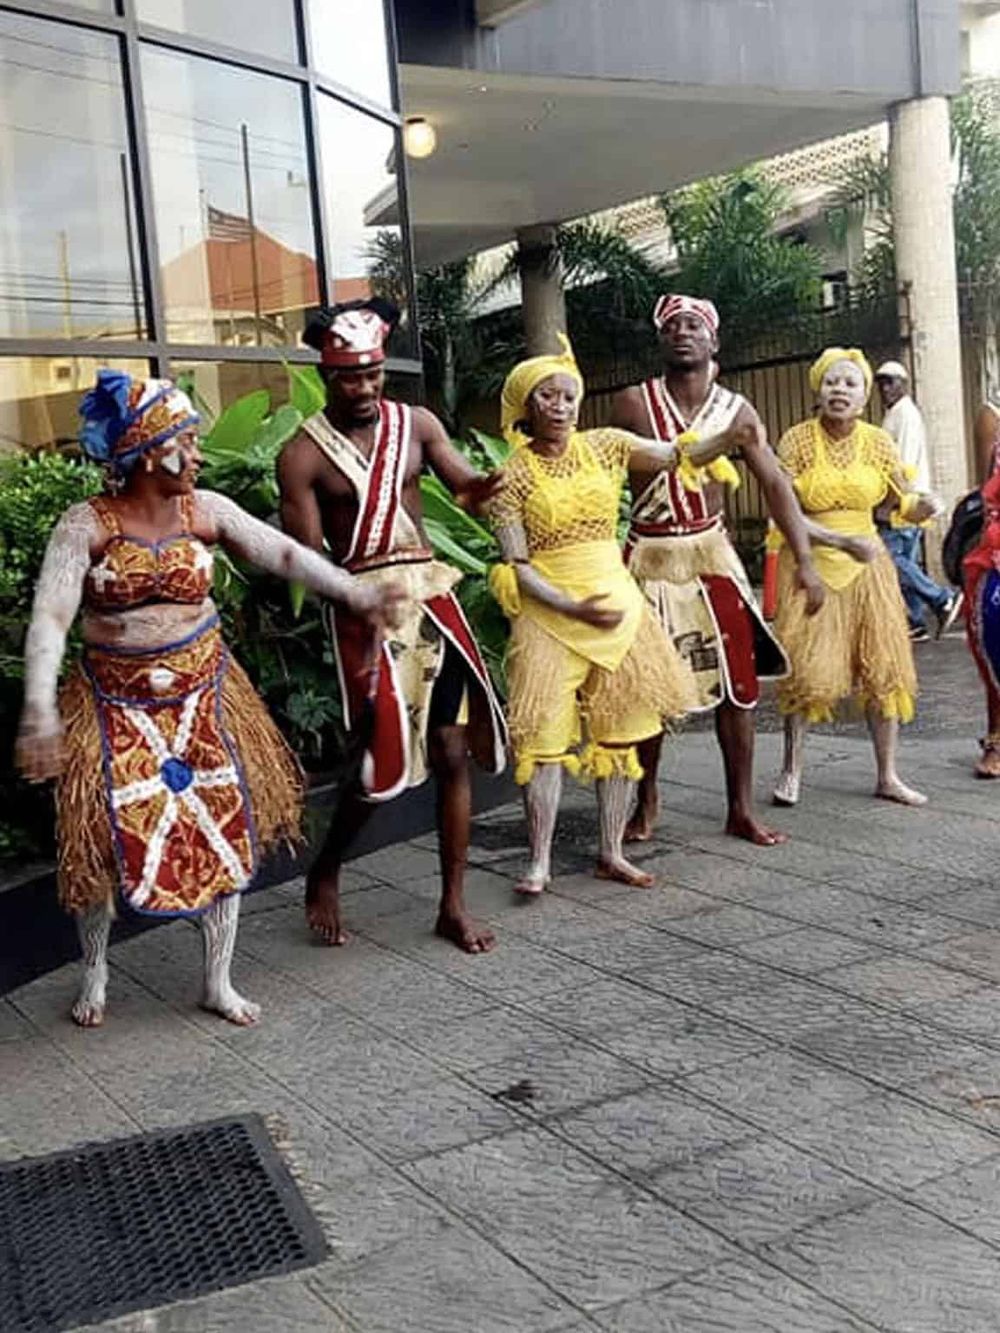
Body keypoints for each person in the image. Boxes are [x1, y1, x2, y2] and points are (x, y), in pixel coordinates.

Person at [15, 370, 399, 1028]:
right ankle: (96, 968)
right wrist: (40, 707)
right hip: (113, 702)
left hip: (204, 692)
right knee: (99, 840)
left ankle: (217, 978)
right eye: (184, 442)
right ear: (145, 451)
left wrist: (354, 591)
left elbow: (280, 551)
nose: (196, 454)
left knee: (222, 824)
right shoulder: (87, 524)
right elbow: (51, 617)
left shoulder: (206, 510)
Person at [278, 299, 508, 953]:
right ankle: (326, 867)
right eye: (352, 377)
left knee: (451, 751)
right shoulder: (302, 455)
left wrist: (481, 487)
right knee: (374, 763)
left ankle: (452, 904)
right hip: (367, 609)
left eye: (374, 374)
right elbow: (307, 558)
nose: (367, 388)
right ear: (328, 376)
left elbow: (462, 483)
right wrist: (351, 594)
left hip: (435, 598)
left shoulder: (418, 424)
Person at [487, 335, 726, 894]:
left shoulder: (608, 445)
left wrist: (731, 437)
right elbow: (516, 565)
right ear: (528, 407)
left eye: (568, 395)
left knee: (620, 736)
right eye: (547, 396)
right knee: (544, 742)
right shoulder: (512, 477)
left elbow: (678, 454)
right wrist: (568, 603)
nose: (561, 405)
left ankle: (612, 851)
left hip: (617, 610)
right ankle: (539, 861)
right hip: (551, 613)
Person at [611, 294, 825, 846]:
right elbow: (624, 469)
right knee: (649, 687)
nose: (683, 333)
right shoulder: (635, 403)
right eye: (673, 326)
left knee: (739, 684)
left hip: (709, 555)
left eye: (695, 326)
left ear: (714, 342)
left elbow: (775, 484)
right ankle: (647, 797)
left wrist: (804, 559)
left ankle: (740, 808)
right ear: (661, 341)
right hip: (651, 556)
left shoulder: (738, 409)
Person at [771, 348, 941, 808]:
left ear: (865, 396)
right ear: (818, 389)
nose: (839, 391)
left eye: (850, 384)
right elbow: (785, 513)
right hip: (812, 565)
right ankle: (792, 770)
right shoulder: (797, 440)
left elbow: (900, 500)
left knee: (884, 669)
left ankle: (887, 774)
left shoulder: (878, 442)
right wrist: (839, 542)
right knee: (805, 673)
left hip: (869, 568)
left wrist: (921, 507)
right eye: (832, 382)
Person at [874, 360, 962, 641]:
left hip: (905, 501)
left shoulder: (905, 415)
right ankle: (915, 621)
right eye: (881, 383)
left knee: (891, 559)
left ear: (904, 384)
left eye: (891, 381)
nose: (885, 388)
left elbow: (903, 466)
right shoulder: (895, 414)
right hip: (905, 499)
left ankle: (941, 598)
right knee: (906, 561)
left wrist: (888, 504)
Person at [961, 395, 1000, 778]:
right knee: (995, 643)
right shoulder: (992, 413)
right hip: (997, 550)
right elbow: (984, 492)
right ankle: (996, 737)